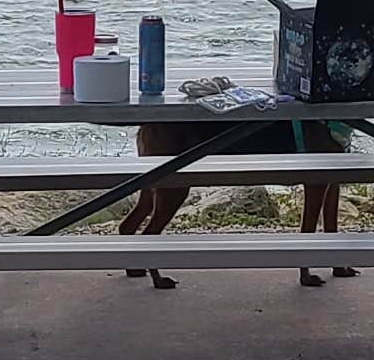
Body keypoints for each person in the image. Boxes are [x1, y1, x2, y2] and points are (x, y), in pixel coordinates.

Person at [119, 118, 355, 289]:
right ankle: (148, 261)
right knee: (171, 195)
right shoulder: (325, 131)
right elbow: (316, 197)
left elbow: (329, 187)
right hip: (174, 132)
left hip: (156, 130)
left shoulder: (331, 130)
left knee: (150, 201)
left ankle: (130, 236)